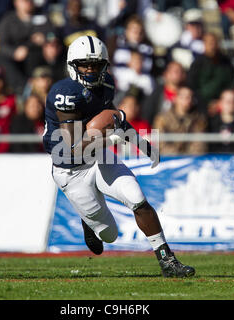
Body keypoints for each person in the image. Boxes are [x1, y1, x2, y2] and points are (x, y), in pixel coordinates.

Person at [43, 35, 195, 278]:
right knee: (109, 235)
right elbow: (70, 149)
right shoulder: (64, 93)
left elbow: (116, 120)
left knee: (138, 198)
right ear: (73, 65)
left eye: (96, 65)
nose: (91, 71)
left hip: (99, 155)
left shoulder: (107, 86)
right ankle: (89, 222)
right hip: (71, 169)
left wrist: (141, 144)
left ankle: (167, 260)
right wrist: (107, 138)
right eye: (85, 65)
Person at [153, 86, 207, 155]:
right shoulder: (162, 119)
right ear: (175, 99)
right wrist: (176, 155)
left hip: (191, 160)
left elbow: (199, 143)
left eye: (190, 97)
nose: (188, 100)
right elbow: (159, 142)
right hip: (168, 159)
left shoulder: (198, 119)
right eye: (184, 97)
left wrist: (188, 156)